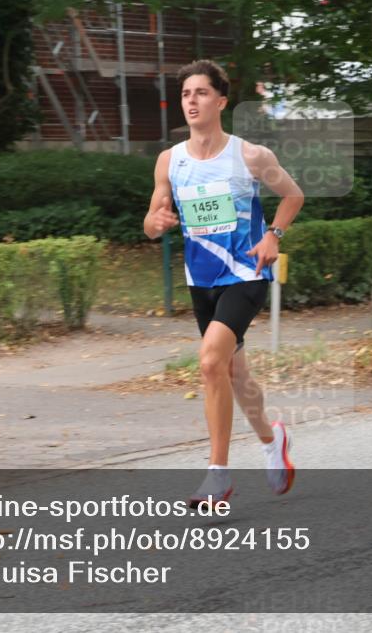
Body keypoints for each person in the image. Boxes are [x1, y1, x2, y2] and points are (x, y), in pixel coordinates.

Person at [143, 59, 304, 505]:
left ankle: (218, 475)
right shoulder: (169, 162)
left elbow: (293, 195)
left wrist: (274, 234)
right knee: (235, 373)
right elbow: (151, 222)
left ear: (220, 100)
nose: (191, 101)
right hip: (202, 280)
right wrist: (156, 221)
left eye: (200, 93)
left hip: (246, 272)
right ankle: (273, 443)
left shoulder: (250, 156)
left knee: (211, 361)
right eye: (185, 95)